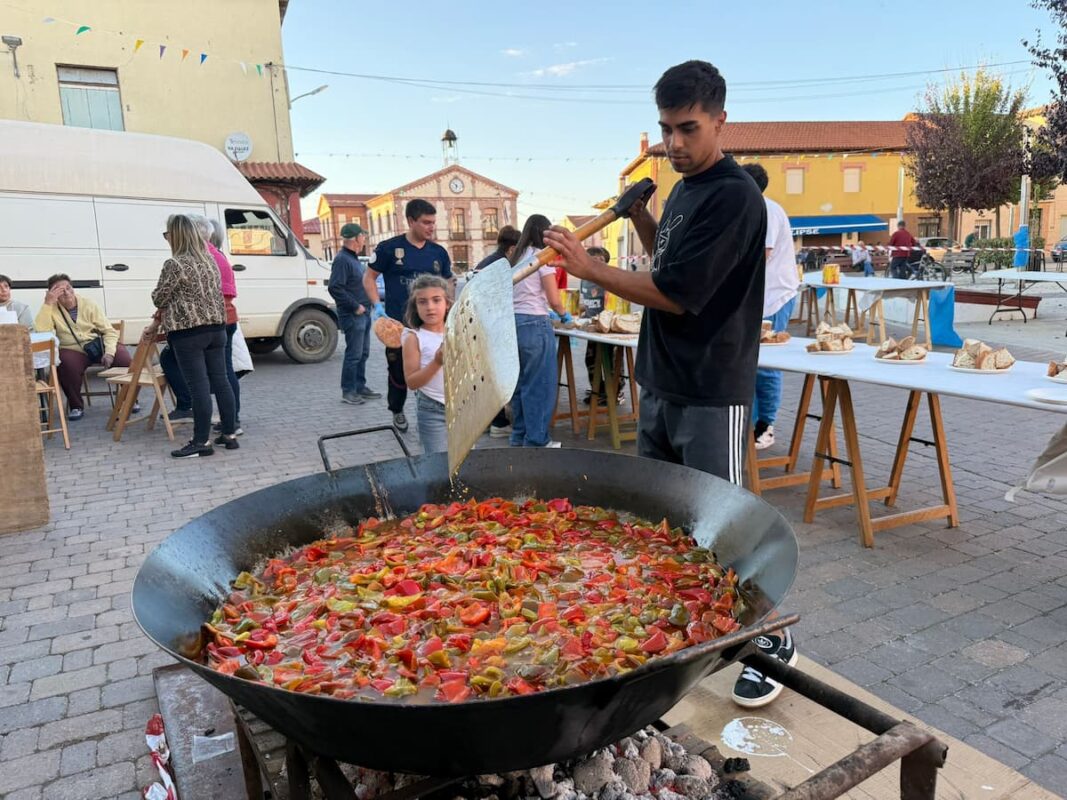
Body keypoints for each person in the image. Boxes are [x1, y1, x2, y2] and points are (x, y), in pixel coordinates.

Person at [544, 60, 795, 710]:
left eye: (687, 128)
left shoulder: (738, 197)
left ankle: (769, 645)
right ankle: (684, 633)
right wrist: (639, 219)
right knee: (664, 527)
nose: (674, 144)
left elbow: (678, 296)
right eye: (664, 129)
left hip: (712, 390)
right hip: (660, 381)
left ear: (719, 120)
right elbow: (669, 264)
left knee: (727, 527)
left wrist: (584, 267)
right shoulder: (682, 189)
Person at [147, 214, 238, 458]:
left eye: (168, 234)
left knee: (199, 387)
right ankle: (229, 434)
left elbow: (159, 297)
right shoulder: (210, 259)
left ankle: (201, 442)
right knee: (221, 381)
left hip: (189, 333)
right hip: (217, 329)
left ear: (175, 235)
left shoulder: (175, 264)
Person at [364, 199, 452, 433]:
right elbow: (369, 277)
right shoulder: (389, 249)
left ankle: (438, 409)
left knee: (437, 366)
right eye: (426, 222)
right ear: (411, 221)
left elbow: (448, 283)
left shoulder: (439, 253)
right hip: (399, 326)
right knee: (399, 372)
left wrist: (449, 308)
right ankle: (397, 410)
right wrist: (377, 306)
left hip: (432, 326)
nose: (431, 227)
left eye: (433, 223)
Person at [741, 163, 799, 452]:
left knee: (766, 363)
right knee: (748, 362)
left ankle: (765, 425)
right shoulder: (746, 210)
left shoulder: (766, 210)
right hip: (754, 299)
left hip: (774, 297)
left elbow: (758, 259)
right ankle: (749, 424)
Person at [509, 214, 571, 448]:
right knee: (539, 385)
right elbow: (554, 299)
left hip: (514, 324)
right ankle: (537, 441)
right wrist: (563, 314)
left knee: (520, 385)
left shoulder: (516, 257)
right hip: (535, 323)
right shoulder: (541, 256)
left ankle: (519, 437)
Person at [34, 274, 132, 420]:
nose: (66, 292)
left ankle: (130, 400)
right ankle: (76, 405)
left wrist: (110, 352)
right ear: (52, 293)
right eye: (60, 290)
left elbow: (109, 331)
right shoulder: (51, 308)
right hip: (73, 348)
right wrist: (47, 304)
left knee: (124, 357)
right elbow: (42, 332)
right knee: (65, 363)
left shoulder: (88, 304)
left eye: (68, 288)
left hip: (96, 344)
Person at [330, 223, 380, 406]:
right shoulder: (342, 259)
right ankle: (348, 391)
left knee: (363, 353)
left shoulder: (352, 258)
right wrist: (355, 306)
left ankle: (360, 386)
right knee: (353, 354)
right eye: (363, 236)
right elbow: (335, 287)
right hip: (354, 314)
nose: (364, 239)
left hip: (363, 312)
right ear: (356, 238)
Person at [402, 275, 452, 454]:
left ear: (447, 303)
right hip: (432, 410)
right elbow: (412, 382)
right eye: (422, 302)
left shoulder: (459, 331)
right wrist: (437, 362)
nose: (430, 307)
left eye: (436, 300)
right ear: (415, 307)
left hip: (463, 408)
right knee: (438, 463)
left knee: (466, 463)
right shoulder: (414, 338)